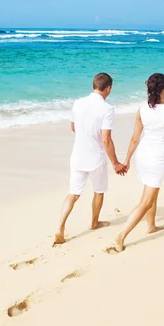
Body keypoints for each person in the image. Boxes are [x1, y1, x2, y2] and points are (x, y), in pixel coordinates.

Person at [114, 73, 164, 252]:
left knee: (151, 193)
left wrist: (127, 159)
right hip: (157, 158)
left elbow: (135, 138)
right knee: (146, 201)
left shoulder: (142, 110)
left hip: (142, 155)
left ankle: (151, 226)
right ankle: (121, 236)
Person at [54, 73, 127, 246]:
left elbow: (73, 127)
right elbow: (106, 139)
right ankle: (94, 223)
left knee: (73, 194)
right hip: (96, 157)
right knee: (99, 191)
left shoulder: (77, 103)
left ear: (94, 85)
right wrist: (116, 163)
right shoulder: (107, 109)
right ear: (108, 88)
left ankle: (60, 227)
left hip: (78, 155)